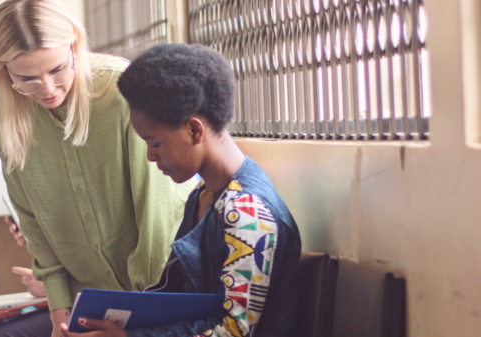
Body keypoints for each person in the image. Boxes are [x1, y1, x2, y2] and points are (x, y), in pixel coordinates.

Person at [0, 1, 194, 336]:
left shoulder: (122, 92)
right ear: (2, 70)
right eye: (27, 79)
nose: (47, 89)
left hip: (156, 290)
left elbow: (156, 214)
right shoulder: (6, 117)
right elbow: (32, 221)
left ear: (75, 46)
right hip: (88, 296)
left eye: (57, 69)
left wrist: (137, 315)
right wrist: (58, 311)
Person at [60, 44, 302, 337]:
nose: (150, 156)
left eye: (155, 143)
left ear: (194, 130)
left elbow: (234, 331)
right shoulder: (204, 195)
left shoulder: (247, 212)